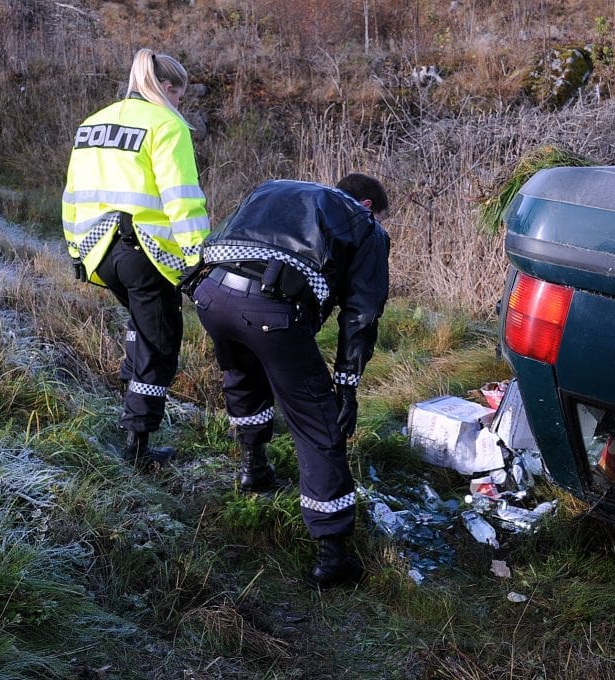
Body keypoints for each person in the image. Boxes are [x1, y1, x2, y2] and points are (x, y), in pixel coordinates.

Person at [183, 174, 390, 588]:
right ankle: (332, 555)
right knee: (317, 422)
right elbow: (362, 313)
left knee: (242, 376)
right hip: (272, 310)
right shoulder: (366, 224)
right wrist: (346, 385)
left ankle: (252, 469)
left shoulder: (275, 188)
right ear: (367, 204)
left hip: (210, 294)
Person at [61, 49, 209, 471]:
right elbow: (181, 198)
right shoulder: (167, 125)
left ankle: (131, 406)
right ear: (165, 89)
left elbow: (72, 194)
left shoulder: (93, 123)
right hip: (146, 252)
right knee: (159, 343)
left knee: (141, 330)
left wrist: (76, 251)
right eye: (178, 94)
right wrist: (198, 257)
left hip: (98, 251)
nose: (180, 104)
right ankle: (137, 446)